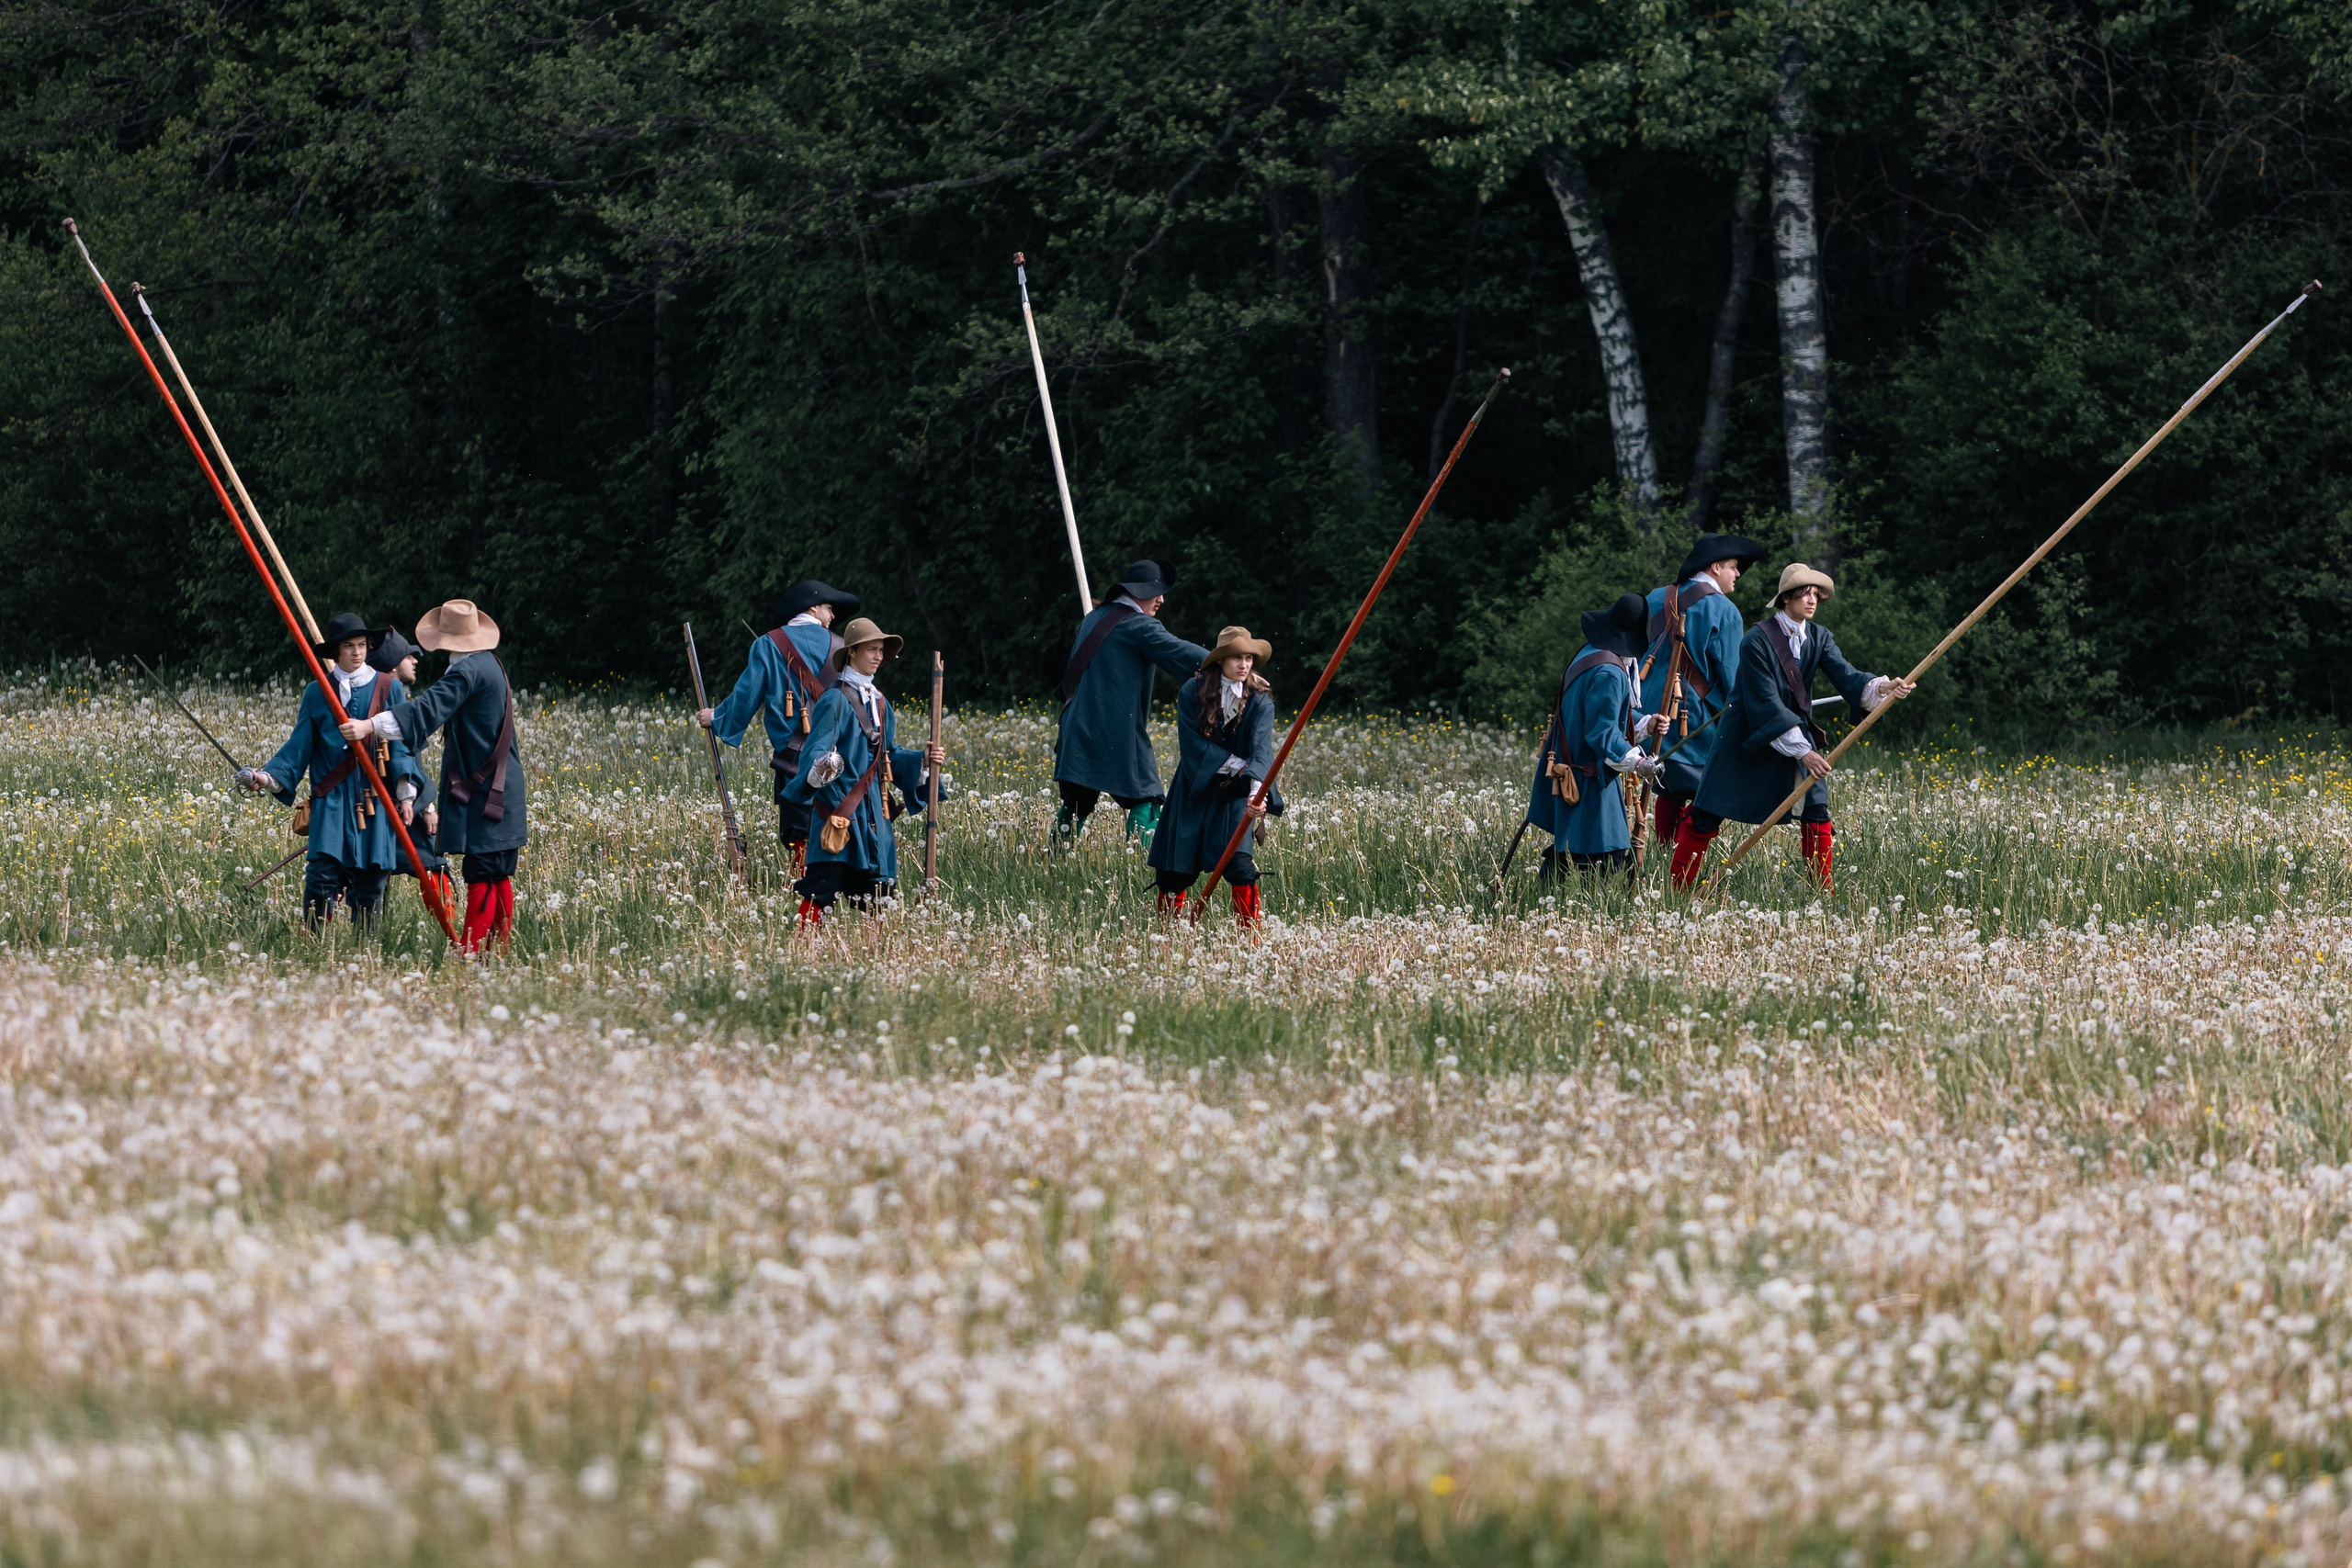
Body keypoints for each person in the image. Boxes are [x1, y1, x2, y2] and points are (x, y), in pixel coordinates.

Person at [1670, 563, 1915, 892]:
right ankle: (1676, 889)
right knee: (1707, 813)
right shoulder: (1756, 640)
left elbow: (1847, 676)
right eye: (1804, 593)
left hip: (1792, 734)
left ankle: (1821, 892)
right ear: (1786, 598)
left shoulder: (1818, 637)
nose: (1812, 600)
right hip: (1746, 737)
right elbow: (1766, 702)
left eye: (1816, 594)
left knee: (1816, 808)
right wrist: (1806, 751)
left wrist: (1883, 689)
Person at [340, 599, 528, 952]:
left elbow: (425, 712)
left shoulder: (468, 670)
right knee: (497, 871)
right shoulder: (488, 663)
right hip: (500, 788)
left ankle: (472, 957)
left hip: (490, 791)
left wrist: (369, 724)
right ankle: (494, 955)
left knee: (484, 875)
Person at [237, 612, 424, 929]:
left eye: (362, 645)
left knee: (371, 880)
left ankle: (367, 953)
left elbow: (400, 745)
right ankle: (313, 946)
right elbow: (299, 746)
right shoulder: (317, 691)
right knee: (322, 875)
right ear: (337, 651)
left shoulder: (388, 687)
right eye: (349, 646)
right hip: (332, 798)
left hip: (374, 797)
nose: (357, 652)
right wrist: (264, 777)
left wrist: (406, 794)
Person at [782, 616, 945, 927]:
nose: (878, 656)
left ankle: (876, 957)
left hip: (873, 812)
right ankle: (802, 950)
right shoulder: (835, 699)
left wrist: (922, 760)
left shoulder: (880, 703)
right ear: (853, 652)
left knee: (879, 892)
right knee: (821, 888)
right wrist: (823, 766)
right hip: (838, 808)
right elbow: (816, 750)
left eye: (881, 651)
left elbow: (889, 756)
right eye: (871, 650)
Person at [697, 579, 859, 875]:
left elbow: (746, 696)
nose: (833, 616)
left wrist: (717, 717)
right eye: (828, 608)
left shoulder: (767, 644)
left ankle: (805, 883)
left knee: (800, 828)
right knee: (839, 819)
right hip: (841, 756)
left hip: (793, 759)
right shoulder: (844, 648)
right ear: (811, 608)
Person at [1053, 560, 1213, 849]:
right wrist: (1224, 666)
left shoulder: (1094, 617)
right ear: (1140, 592)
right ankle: (1140, 867)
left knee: (1077, 802)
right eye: (1157, 592)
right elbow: (1180, 651)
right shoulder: (1139, 625)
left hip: (1075, 727)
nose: (1161, 599)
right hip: (1113, 732)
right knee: (1146, 797)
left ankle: (1052, 861)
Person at [1522, 592, 1665, 881]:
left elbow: (1603, 714)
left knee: (1582, 846)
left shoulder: (1590, 652)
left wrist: (1645, 724)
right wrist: (1638, 762)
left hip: (1575, 764)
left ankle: (1545, 895)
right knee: (1606, 854)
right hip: (1585, 775)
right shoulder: (1610, 672)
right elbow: (1601, 733)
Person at [1146, 626, 1278, 926]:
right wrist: (1236, 764)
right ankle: (1166, 936)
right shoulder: (1192, 691)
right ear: (1220, 660)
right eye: (1236, 658)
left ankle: (1249, 941)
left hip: (1236, 795)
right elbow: (1192, 745)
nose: (1244, 665)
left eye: (1248, 658)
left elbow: (1261, 751)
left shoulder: (1260, 700)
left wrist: (1257, 792)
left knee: (1240, 867)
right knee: (1174, 872)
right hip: (1195, 787)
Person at [1640, 533, 1763, 848]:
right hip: (1689, 718)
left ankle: (1664, 853)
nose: (1737, 574)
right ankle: (1682, 852)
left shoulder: (1655, 597)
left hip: (1641, 716)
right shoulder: (1725, 610)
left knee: (1669, 787)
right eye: (1734, 567)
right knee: (1719, 788)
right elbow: (1733, 677)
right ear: (1714, 567)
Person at [367, 628, 454, 907]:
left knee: (432, 867)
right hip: (389, 806)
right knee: (434, 866)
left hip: (401, 803)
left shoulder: (387, 695)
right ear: (393, 666)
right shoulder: (390, 697)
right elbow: (407, 753)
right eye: (408, 656)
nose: (415, 660)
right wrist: (427, 808)